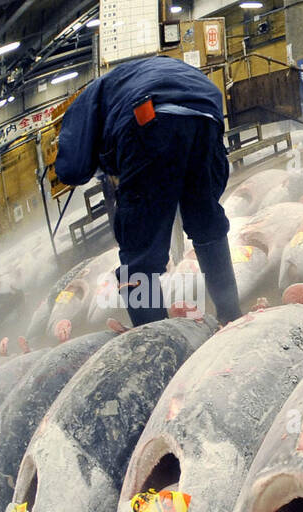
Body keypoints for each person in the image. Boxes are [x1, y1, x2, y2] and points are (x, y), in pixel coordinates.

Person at [54, 54, 239, 328]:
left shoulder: (83, 107)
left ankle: (154, 334)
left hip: (149, 117)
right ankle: (231, 314)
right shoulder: (125, 81)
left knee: (138, 249)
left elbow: (72, 168)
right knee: (206, 220)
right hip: (206, 109)